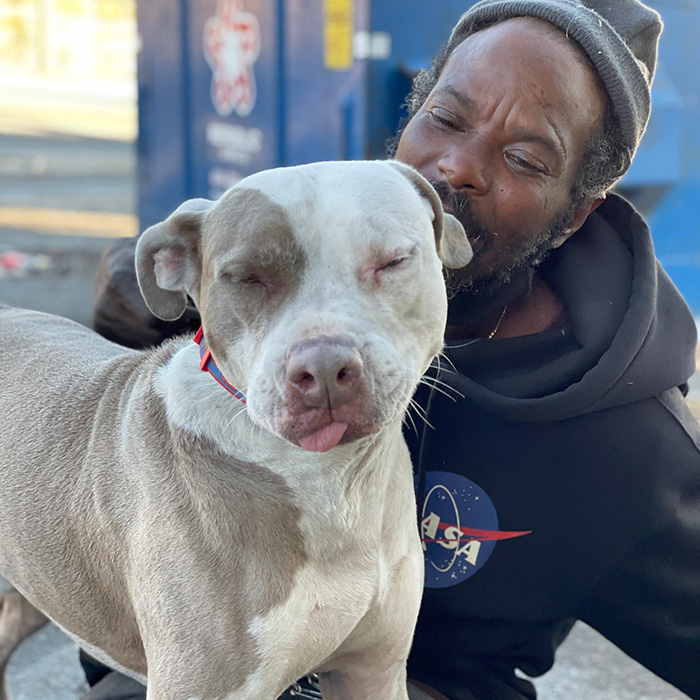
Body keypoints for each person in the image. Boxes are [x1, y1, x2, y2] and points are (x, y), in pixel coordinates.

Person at [3, 1, 699, 698]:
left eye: (524, 156)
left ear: (578, 209)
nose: (457, 165)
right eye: (446, 119)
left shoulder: (632, 449)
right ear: (412, 114)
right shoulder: (260, 240)